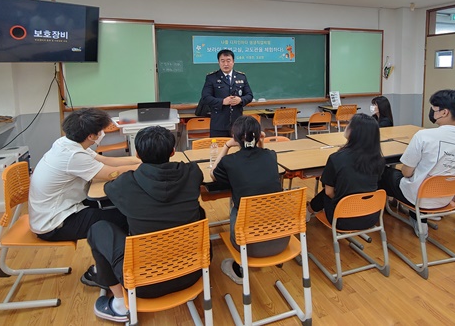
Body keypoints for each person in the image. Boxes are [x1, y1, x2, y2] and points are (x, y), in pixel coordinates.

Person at [87, 126, 205, 323]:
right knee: (197, 212)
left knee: (98, 228)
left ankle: (119, 303)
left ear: (138, 154)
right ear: (172, 152)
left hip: (143, 283)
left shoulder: (126, 183)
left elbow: (109, 188)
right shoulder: (192, 172)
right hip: (192, 271)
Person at [29, 108, 141, 243]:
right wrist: (147, 167)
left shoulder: (66, 143)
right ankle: (121, 254)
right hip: (54, 224)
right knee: (127, 218)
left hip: (62, 208)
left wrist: (141, 160)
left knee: (122, 202)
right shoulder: (73, 155)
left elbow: (106, 160)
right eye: (101, 130)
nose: (102, 133)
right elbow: (110, 173)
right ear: (91, 136)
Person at [379, 89, 455, 238]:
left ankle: (375, 217)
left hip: (419, 197)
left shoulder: (424, 136)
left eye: (434, 109)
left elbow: (406, 172)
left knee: (384, 172)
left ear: (444, 112)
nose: (432, 112)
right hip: (447, 197)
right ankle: (414, 214)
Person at [211, 115, 289, 284]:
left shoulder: (230, 161)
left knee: (237, 205)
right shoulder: (271, 156)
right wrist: (261, 142)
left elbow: (213, 174)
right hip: (281, 239)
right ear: (259, 135)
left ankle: (238, 267)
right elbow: (262, 154)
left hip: (246, 244)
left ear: (235, 137)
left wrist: (226, 146)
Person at [306, 114, 385, 229]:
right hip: (371, 217)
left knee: (328, 192)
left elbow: (329, 193)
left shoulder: (336, 158)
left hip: (342, 219)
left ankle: (308, 211)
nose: (346, 126)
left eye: (349, 124)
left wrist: (342, 201)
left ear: (355, 132)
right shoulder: (379, 159)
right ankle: (309, 210)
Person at [201, 49, 253, 137]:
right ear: (218, 62)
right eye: (222, 61)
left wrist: (240, 100)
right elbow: (205, 97)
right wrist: (222, 101)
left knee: (237, 145)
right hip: (218, 124)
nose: (225, 64)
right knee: (219, 146)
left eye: (228, 61)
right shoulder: (211, 77)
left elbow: (249, 95)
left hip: (237, 124)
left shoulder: (241, 77)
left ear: (233, 62)